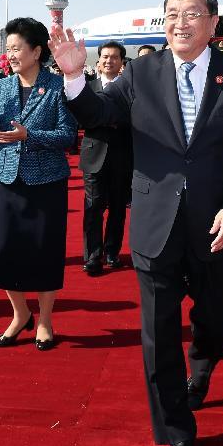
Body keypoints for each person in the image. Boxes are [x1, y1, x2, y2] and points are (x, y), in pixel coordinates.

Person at [51, 0, 223, 446]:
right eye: (172, 12)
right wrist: (73, 78)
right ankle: (177, 431)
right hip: (156, 223)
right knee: (158, 333)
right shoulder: (141, 73)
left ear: (214, 24)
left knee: (220, 317)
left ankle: (204, 360)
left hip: (218, 224)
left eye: (192, 13)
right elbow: (102, 115)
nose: (180, 22)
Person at [0, 17, 77, 351]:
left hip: (47, 181)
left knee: (44, 252)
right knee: (3, 252)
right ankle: (20, 314)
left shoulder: (57, 87)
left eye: (17, 48)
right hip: (6, 179)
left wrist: (29, 134)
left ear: (36, 51)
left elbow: (67, 136)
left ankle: (44, 319)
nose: (11, 54)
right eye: (9, 49)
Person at [79, 41, 131, 276]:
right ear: (98, 61)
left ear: (122, 62)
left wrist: (107, 118)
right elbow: (81, 119)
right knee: (93, 207)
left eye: (115, 57)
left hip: (122, 155)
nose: (109, 61)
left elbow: (134, 119)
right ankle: (92, 256)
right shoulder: (86, 88)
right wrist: (106, 119)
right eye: (105, 57)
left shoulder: (129, 89)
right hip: (94, 155)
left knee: (118, 207)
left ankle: (112, 251)